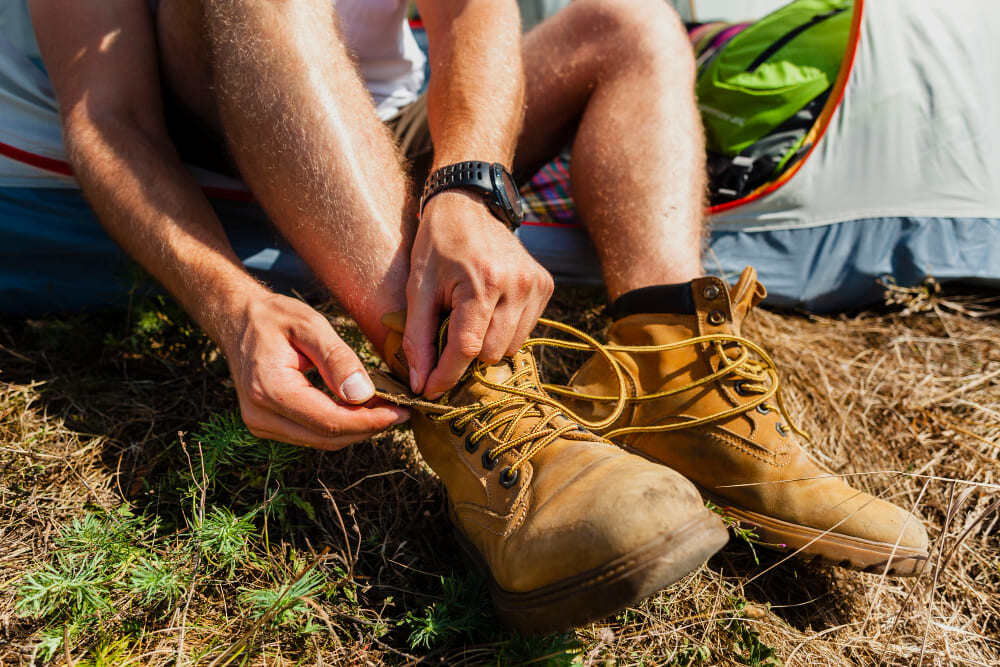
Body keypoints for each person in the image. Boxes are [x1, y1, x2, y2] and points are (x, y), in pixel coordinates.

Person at [27, 0, 926, 631]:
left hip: (384, 132)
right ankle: (472, 393)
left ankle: (677, 381)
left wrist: (468, 182)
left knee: (631, 21)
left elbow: (471, 12)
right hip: (224, 148)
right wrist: (231, 304)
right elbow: (109, 116)